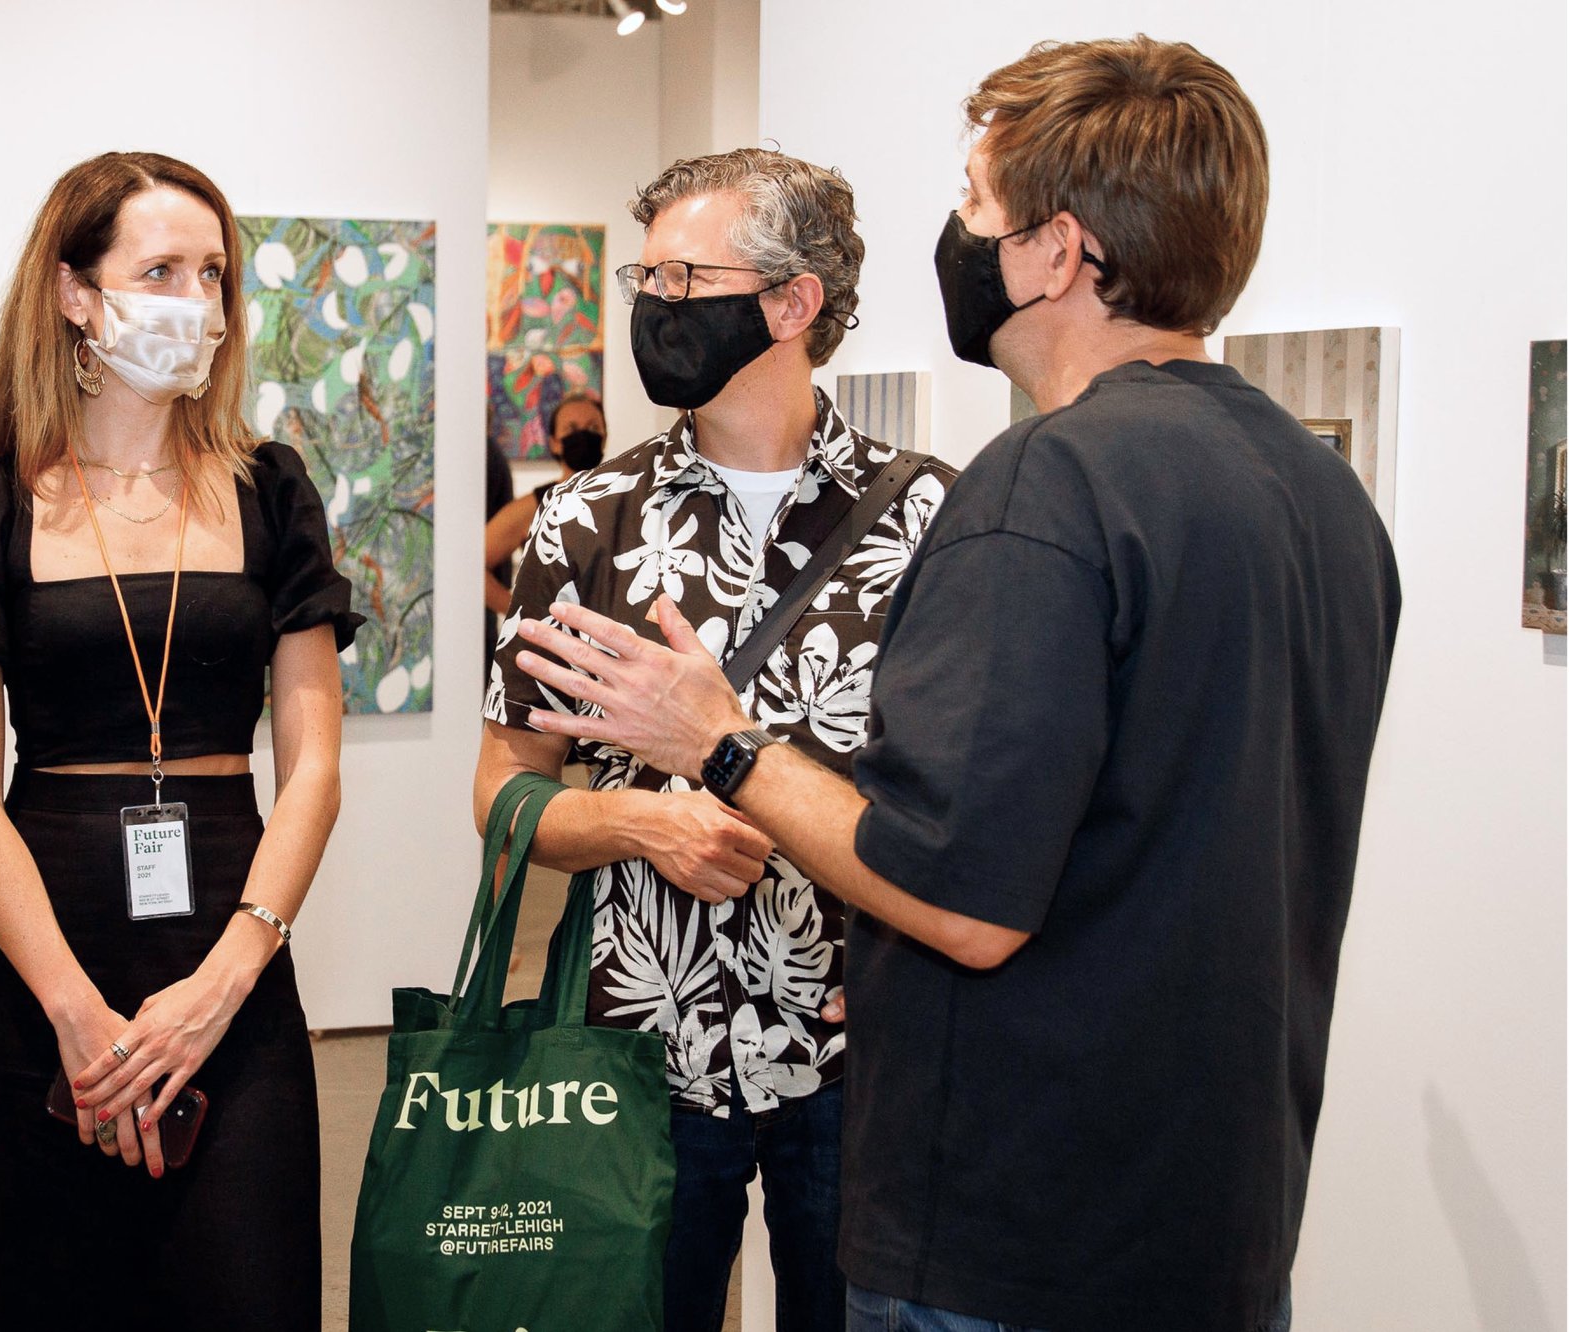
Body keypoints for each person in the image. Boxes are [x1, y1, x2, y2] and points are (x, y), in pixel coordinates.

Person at [508, 37, 1399, 1332]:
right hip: (1210, 1215)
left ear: (1054, 248)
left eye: (976, 201)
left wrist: (722, 741)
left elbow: (965, 898)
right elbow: (1117, 838)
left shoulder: (1040, 487)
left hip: (1014, 1225)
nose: (956, 234)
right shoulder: (1322, 496)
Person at [476, 149, 957, 1332]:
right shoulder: (585, 522)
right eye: (648, 275)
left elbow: (962, 812)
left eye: (685, 277)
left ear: (792, 303)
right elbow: (503, 791)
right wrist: (640, 818)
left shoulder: (935, 517)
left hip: (857, 1058)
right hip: (634, 1051)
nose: (653, 305)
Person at [0, 152, 360, 1329]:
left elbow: (312, 765)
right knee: (31, 1286)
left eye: (213, 274)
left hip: (228, 941)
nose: (197, 303)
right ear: (75, 294)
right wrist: (73, 1010)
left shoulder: (269, 492)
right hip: (38, 956)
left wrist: (227, 978)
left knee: (237, 1282)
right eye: (161, 270)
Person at [481, 390, 607, 620]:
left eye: (592, 428)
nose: (583, 435)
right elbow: (475, 565)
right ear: (554, 443)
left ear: (604, 437)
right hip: (553, 644)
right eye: (571, 429)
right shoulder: (534, 506)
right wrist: (521, 611)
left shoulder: (622, 498)